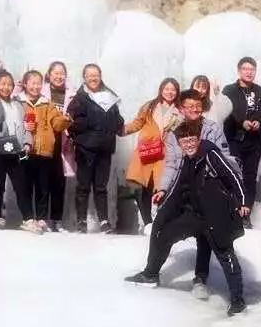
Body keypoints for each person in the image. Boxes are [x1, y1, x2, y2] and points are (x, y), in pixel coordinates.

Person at [124, 121, 249, 317]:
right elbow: (178, 190)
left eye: (192, 140)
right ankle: (150, 274)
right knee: (164, 235)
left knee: (226, 255)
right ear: (179, 144)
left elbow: (232, 175)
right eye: (184, 142)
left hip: (217, 215)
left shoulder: (210, 154)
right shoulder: (187, 161)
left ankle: (238, 300)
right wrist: (163, 207)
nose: (189, 145)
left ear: (198, 140)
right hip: (196, 215)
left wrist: (242, 202)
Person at [154, 89, 238, 299]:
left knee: (207, 236)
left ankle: (202, 279)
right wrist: (163, 188)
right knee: (163, 227)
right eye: (189, 106)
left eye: (198, 106)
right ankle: (151, 271)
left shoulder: (213, 128)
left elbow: (224, 157)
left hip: (209, 189)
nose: (194, 110)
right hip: (184, 190)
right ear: (181, 108)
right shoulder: (176, 132)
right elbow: (171, 165)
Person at [67, 64, 125, 234]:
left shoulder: (109, 96)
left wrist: (117, 123)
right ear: (84, 77)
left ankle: (104, 221)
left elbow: (118, 119)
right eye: (89, 75)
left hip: (105, 148)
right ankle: (81, 221)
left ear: (100, 76)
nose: (93, 78)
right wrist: (88, 125)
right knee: (83, 185)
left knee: (101, 186)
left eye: (96, 75)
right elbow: (71, 124)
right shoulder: (79, 98)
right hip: (85, 148)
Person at [0, 70, 38, 232]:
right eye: (2, 84)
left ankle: (28, 219)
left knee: (22, 185)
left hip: (16, 150)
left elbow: (27, 126)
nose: (6, 87)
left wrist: (28, 142)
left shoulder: (18, 105)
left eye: (9, 84)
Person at [222, 57, 261, 228]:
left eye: (252, 69)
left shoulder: (260, 92)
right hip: (235, 139)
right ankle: (232, 210)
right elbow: (225, 113)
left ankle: (246, 213)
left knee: (250, 177)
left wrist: (260, 124)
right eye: (245, 69)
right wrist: (240, 123)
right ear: (239, 71)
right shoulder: (229, 90)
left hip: (254, 141)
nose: (249, 72)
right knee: (233, 175)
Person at [17, 70, 71, 233]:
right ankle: (27, 218)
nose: (36, 86)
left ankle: (41, 218)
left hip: (44, 151)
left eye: (38, 83)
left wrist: (65, 120)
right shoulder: (18, 102)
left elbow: (56, 123)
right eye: (32, 83)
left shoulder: (47, 104)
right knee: (25, 186)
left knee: (43, 187)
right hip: (24, 150)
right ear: (25, 84)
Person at [124, 77, 183, 229]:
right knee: (144, 188)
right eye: (167, 89)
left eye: (173, 90)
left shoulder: (180, 111)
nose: (169, 92)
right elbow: (138, 123)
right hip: (147, 152)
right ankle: (147, 222)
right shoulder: (149, 106)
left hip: (165, 153)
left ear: (177, 92)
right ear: (161, 90)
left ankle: (159, 222)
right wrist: (122, 129)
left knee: (163, 187)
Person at [42, 61, 77, 232]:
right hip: (44, 139)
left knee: (59, 182)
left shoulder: (72, 93)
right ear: (48, 74)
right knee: (42, 180)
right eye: (55, 72)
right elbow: (20, 96)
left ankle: (56, 220)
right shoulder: (41, 90)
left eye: (62, 72)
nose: (59, 76)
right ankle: (42, 218)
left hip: (63, 140)